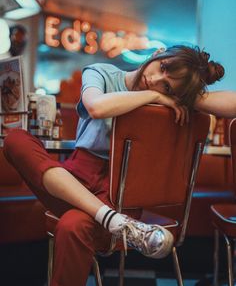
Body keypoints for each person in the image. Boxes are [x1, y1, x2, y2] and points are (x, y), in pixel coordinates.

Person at [3, 45, 234, 286]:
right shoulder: (101, 73)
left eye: (166, 85)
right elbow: (96, 107)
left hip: (120, 194)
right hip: (71, 180)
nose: (154, 79)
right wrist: (155, 96)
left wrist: (188, 96)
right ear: (158, 53)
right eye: (163, 67)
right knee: (15, 139)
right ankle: (114, 221)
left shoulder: (174, 95)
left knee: (73, 225)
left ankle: (112, 218)